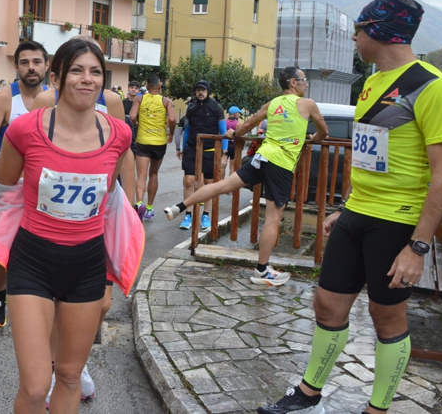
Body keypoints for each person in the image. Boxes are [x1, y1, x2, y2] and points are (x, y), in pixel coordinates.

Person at [259, 0, 442, 414]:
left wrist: (418, 246)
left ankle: (377, 408)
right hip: (357, 215)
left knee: (386, 317)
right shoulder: (370, 83)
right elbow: (369, 157)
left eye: (359, 29)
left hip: (397, 222)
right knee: (326, 303)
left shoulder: (432, 86)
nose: (354, 38)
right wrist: (344, 208)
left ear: (380, 32)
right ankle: (309, 392)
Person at [0, 38, 132, 413]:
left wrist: (110, 273)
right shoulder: (25, 130)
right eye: (77, 70)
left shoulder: (119, 135)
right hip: (32, 262)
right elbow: (5, 189)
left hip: (86, 266)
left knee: (68, 375)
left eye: (95, 71)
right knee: (35, 386)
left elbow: (109, 201)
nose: (87, 79)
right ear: (57, 78)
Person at [165, 67, 328, 285]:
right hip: (281, 164)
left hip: (261, 157)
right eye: (304, 80)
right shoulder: (307, 104)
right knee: (273, 218)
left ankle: (179, 206)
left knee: (223, 185)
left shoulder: (272, 104)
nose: (306, 84)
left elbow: (248, 125)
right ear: (292, 82)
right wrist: (314, 138)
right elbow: (324, 132)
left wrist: (234, 134)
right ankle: (262, 270)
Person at [0, 41, 50, 328]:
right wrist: (0, 182)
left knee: (43, 247)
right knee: (2, 249)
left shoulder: (55, 98)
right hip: (10, 189)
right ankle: (0, 295)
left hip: (44, 190)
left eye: (36, 62)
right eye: (24, 62)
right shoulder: (6, 97)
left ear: (46, 65)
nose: (31, 67)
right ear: (17, 66)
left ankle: (37, 296)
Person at [172, 80, 227, 231]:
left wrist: (224, 153)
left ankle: (205, 215)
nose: (200, 92)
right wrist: (182, 148)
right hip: (192, 149)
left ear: (208, 91)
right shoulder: (191, 107)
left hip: (210, 150)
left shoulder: (216, 107)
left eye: (203, 90)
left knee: (209, 183)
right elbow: (187, 130)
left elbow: (223, 132)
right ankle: (188, 215)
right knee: (189, 181)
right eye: (198, 90)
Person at [129, 75, 175, 220]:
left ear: (147, 87)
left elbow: (132, 116)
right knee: (153, 174)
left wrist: (135, 125)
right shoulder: (166, 101)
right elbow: (172, 119)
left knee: (141, 176)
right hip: (159, 142)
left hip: (143, 141)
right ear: (159, 87)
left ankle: (139, 204)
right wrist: (171, 133)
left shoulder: (139, 99)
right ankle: (149, 208)